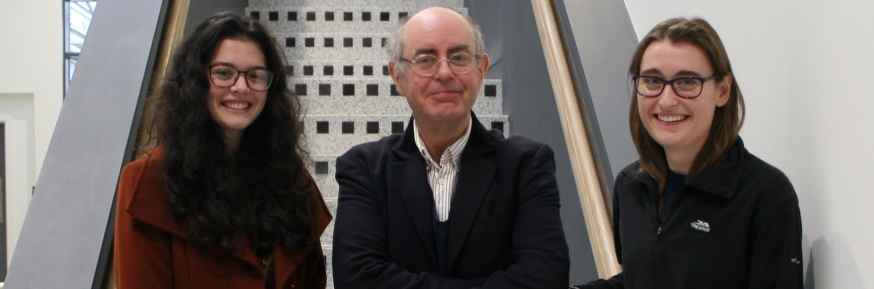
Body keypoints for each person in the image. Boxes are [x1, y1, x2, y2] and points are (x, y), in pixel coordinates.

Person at [331, 6, 570, 289]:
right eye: (425, 60)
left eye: (459, 58)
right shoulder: (363, 168)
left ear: (481, 70)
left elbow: (546, 278)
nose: (444, 72)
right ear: (398, 76)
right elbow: (356, 278)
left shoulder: (526, 164)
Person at [573, 17, 803, 289]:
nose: (667, 100)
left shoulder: (766, 195)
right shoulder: (630, 185)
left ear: (723, 91)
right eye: (652, 81)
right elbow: (641, 279)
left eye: (687, 82)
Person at [113, 12, 331, 289]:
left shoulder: (293, 181)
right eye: (224, 73)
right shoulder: (148, 182)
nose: (241, 87)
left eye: (255, 76)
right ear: (195, 81)